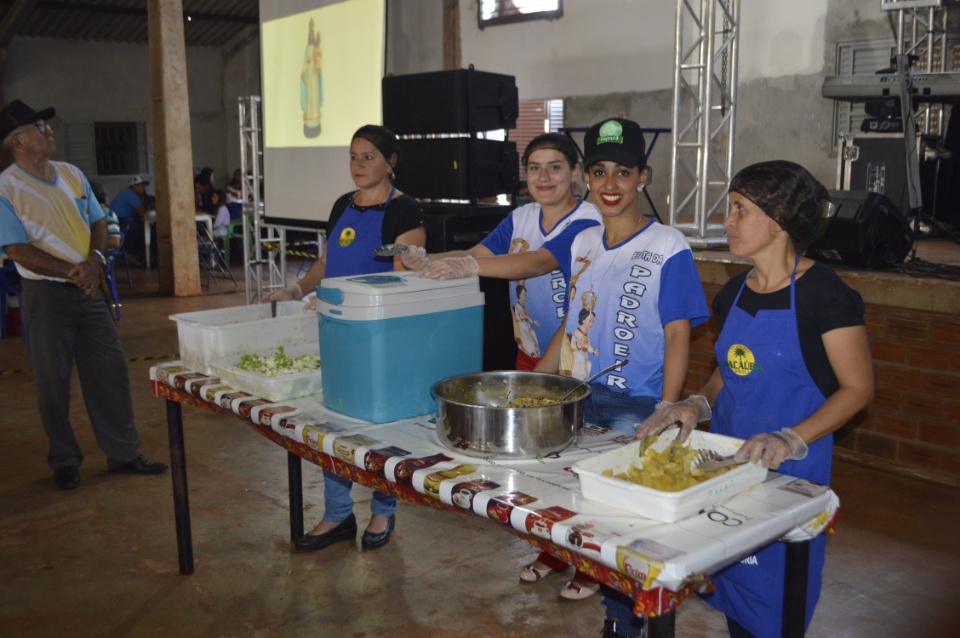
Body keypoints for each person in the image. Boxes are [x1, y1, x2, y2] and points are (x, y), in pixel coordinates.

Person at [416, 119, 710, 603]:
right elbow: (572, 322)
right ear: (588, 178)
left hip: (636, 401)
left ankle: (604, 578)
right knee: (566, 488)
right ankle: (568, 554)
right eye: (600, 173)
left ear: (643, 177)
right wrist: (535, 384)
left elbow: (679, 334)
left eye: (622, 172)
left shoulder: (668, 245)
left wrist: (667, 404)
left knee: (618, 506)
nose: (610, 185)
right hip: (577, 392)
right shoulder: (584, 242)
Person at [627, 160, 874, 638]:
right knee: (729, 590)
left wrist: (789, 438)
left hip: (790, 480)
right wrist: (698, 403)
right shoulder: (735, 292)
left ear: (779, 220)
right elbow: (734, 368)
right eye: (729, 208)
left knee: (775, 600)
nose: (728, 220)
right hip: (727, 471)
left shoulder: (827, 295)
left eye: (740, 209)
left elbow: (858, 390)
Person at [402, 133, 605, 600]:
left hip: (573, 357)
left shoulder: (589, 220)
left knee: (577, 463)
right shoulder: (520, 216)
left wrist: (465, 268)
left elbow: (535, 263)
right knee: (542, 462)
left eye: (556, 167)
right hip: (528, 355)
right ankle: (554, 548)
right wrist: (425, 260)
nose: (544, 177)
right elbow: (479, 256)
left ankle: (591, 562)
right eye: (534, 168)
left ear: (575, 172)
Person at [264, 124, 425, 552]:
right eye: (353, 157)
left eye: (368, 157)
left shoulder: (404, 211)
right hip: (335, 329)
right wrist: (298, 289)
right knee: (332, 423)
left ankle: (382, 510)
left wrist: (351, 302)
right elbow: (325, 262)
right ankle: (337, 515)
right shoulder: (341, 204)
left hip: (380, 333)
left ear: (390, 162)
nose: (358, 165)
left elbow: (402, 279)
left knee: (379, 425)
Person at [0, 99, 168, 490]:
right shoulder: (6, 189)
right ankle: (64, 460)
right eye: (41, 128)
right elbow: (16, 250)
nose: (49, 132)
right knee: (52, 383)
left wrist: (93, 262)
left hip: (89, 290)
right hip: (46, 296)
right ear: (18, 142)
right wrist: (72, 272)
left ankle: (124, 453)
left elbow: (98, 221)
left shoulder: (72, 174)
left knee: (109, 374)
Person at [110, 175, 150, 264]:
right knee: (146, 232)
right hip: (120, 224)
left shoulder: (128, 193)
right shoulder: (130, 195)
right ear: (135, 186)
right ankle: (131, 254)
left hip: (121, 223)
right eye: (141, 186)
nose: (143, 189)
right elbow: (142, 209)